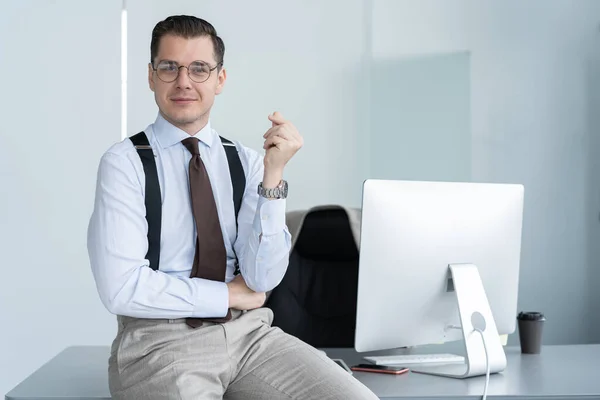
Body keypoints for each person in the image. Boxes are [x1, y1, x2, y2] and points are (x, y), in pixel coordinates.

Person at [87, 14, 378, 400]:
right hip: (159, 343)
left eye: (199, 69)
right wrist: (227, 296)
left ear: (219, 79)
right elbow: (121, 287)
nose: (184, 81)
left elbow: (262, 279)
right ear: (151, 76)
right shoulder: (124, 163)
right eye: (169, 67)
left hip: (249, 335)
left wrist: (273, 176)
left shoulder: (246, 162)